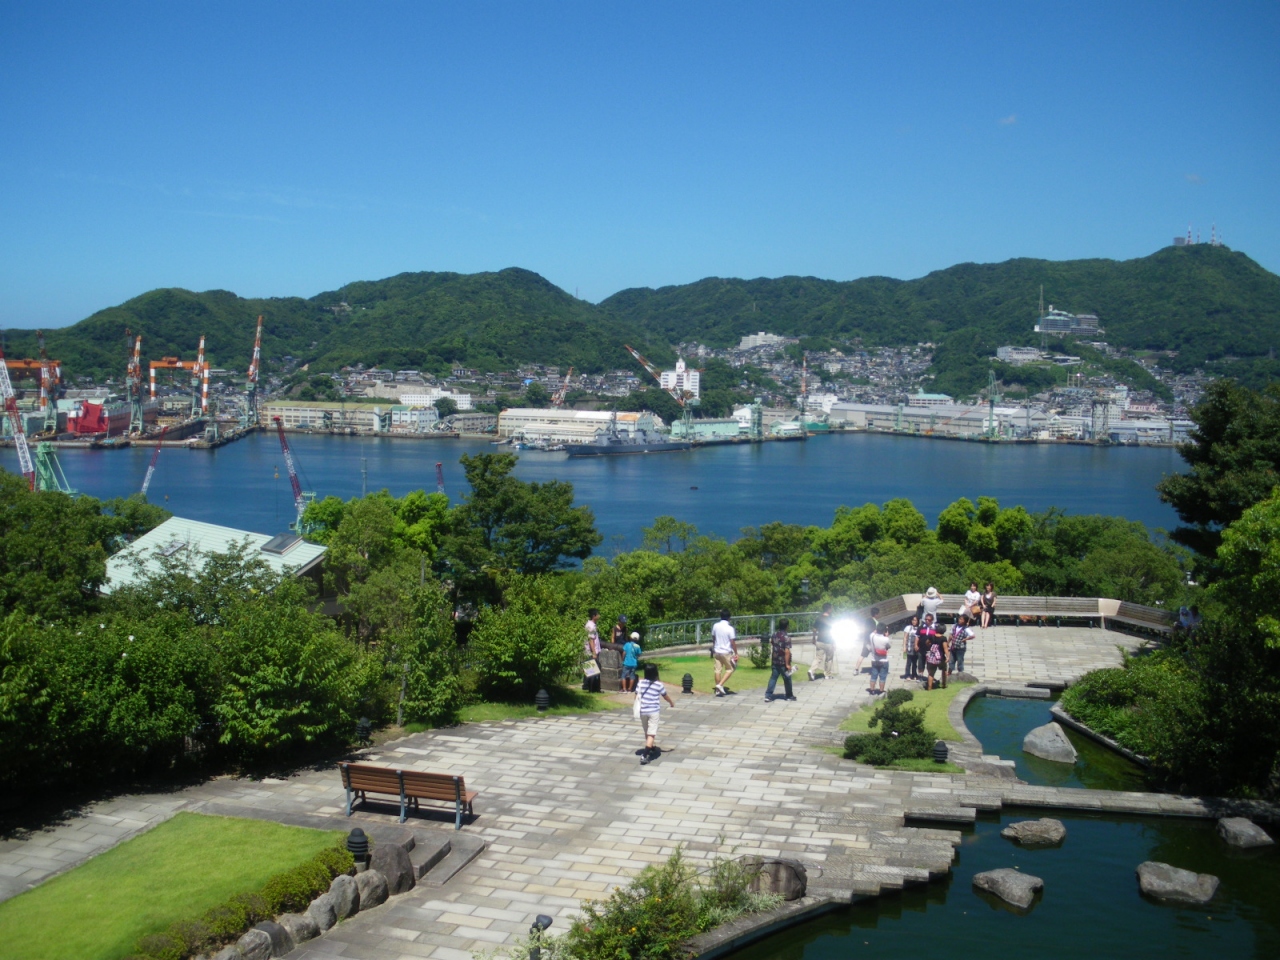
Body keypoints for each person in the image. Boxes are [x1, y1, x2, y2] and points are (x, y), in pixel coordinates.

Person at [635, 664, 675, 764]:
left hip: (643, 711)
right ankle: (645, 755)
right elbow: (665, 696)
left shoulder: (640, 683)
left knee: (647, 731)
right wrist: (671, 703)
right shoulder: (658, 685)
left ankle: (651, 747)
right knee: (651, 733)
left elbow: (636, 696)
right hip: (653, 711)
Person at [765, 618, 796, 702]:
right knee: (787, 678)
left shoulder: (774, 635)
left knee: (773, 678)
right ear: (787, 626)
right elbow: (787, 651)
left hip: (775, 660)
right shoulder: (786, 637)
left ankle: (768, 695)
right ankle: (789, 695)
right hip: (783, 662)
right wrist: (787, 664)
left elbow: (772, 642)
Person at [711, 609, 738, 696]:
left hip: (717, 650)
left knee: (717, 670)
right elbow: (732, 642)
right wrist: (736, 653)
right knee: (730, 669)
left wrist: (714, 646)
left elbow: (713, 637)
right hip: (726, 652)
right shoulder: (730, 628)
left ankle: (718, 690)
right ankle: (720, 685)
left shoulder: (715, 626)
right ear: (729, 618)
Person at [810, 603, 836, 681]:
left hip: (820, 640)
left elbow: (814, 629)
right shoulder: (831, 619)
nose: (832, 610)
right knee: (829, 659)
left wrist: (814, 638)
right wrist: (834, 642)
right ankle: (827, 674)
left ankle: (811, 670)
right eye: (831, 608)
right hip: (829, 641)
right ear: (829, 609)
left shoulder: (819, 618)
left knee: (818, 658)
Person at [923, 618, 949, 691]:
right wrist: (948, 657)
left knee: (931, 673)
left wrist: (930, 646)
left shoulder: (932, 636)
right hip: (940, 658)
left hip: (932, 657)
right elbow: (945, 648)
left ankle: (929, 688)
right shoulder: (943, 638)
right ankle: (944, 684)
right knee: (944, 670)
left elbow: (927, 642)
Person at [853, 606, 880, 675]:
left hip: (866, 641)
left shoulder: (867, 620)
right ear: (876, 614)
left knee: (862, 655)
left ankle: (856, 669)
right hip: (872, 641)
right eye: (878, 614)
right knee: (876, 656)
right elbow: (874, 631)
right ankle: (876, 670)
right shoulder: (875, 622)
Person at [868, 623, 891, 695]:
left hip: (874, 659)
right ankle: (881, 691)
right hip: (883, 660)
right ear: (884, 630)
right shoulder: (886, 639)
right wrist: (886, 635)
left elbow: (873, 632)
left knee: (873, 675)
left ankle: (872, 690)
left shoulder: (872, 636)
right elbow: (889, 646)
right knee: (882, 676)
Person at [583, 608, 602, 693]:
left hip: (591, 651)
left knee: (593, 670)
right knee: (592, 671)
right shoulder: (591, 626)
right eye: (598, 614)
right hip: (590, 651)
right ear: (594, 616)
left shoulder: (592, 625)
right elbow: (591, 640)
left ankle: (593, 688)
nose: (599, 616)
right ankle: (591, 689)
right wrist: (594, 652)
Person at [916, 614, 938, 686]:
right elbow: (917, 637)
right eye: (926, 619)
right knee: (921, 663)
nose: (927, 621)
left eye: (929, 620)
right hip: (921, 648)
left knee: (930, 664)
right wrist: (916, 645)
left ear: (932, 620)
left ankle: (930, 677)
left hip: (931, 650)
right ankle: (920, 676)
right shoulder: (921, 627)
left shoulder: (935, 628)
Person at [901, 615, 920, 681]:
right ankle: (907, 674)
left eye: (915, 620)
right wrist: (904, 647)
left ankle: (914, 674)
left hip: (916, 647)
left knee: (915, 662)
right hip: (909, 647)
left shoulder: (919, 628)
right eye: (913, 620)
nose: (914, 622)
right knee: (909, 662)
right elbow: (905, 637)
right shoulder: (908, 628)